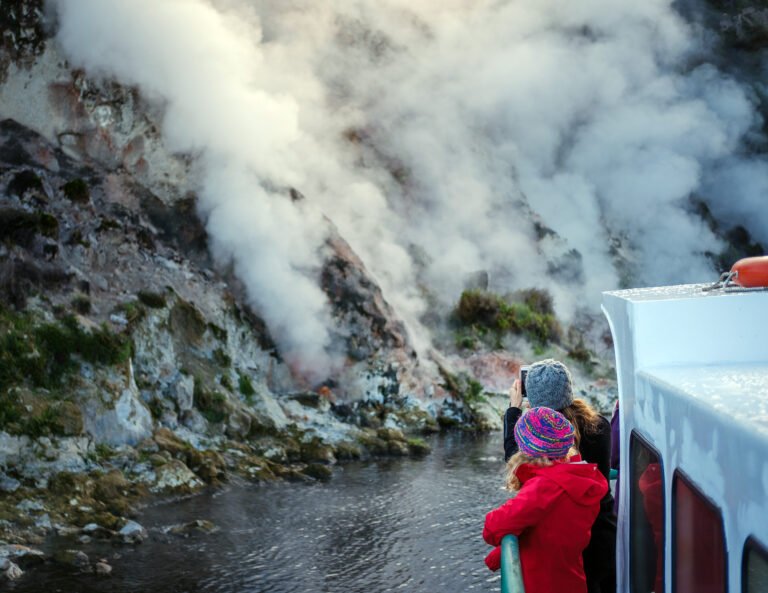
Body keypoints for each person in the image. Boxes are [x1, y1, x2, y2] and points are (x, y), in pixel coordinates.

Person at [503, 359, 617, 593]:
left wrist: (514, 411)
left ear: (532, 399)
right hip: (601, 531)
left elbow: (515, 459)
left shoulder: (538, 440)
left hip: (563, 542)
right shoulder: (599, 426)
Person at [483, 407, 608, 593]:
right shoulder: (578, 479)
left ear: (527, 449)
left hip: (541, 585)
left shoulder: (544, 487)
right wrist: (498, 556)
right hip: (572, 582)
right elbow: (550, 530)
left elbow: (493, 527)